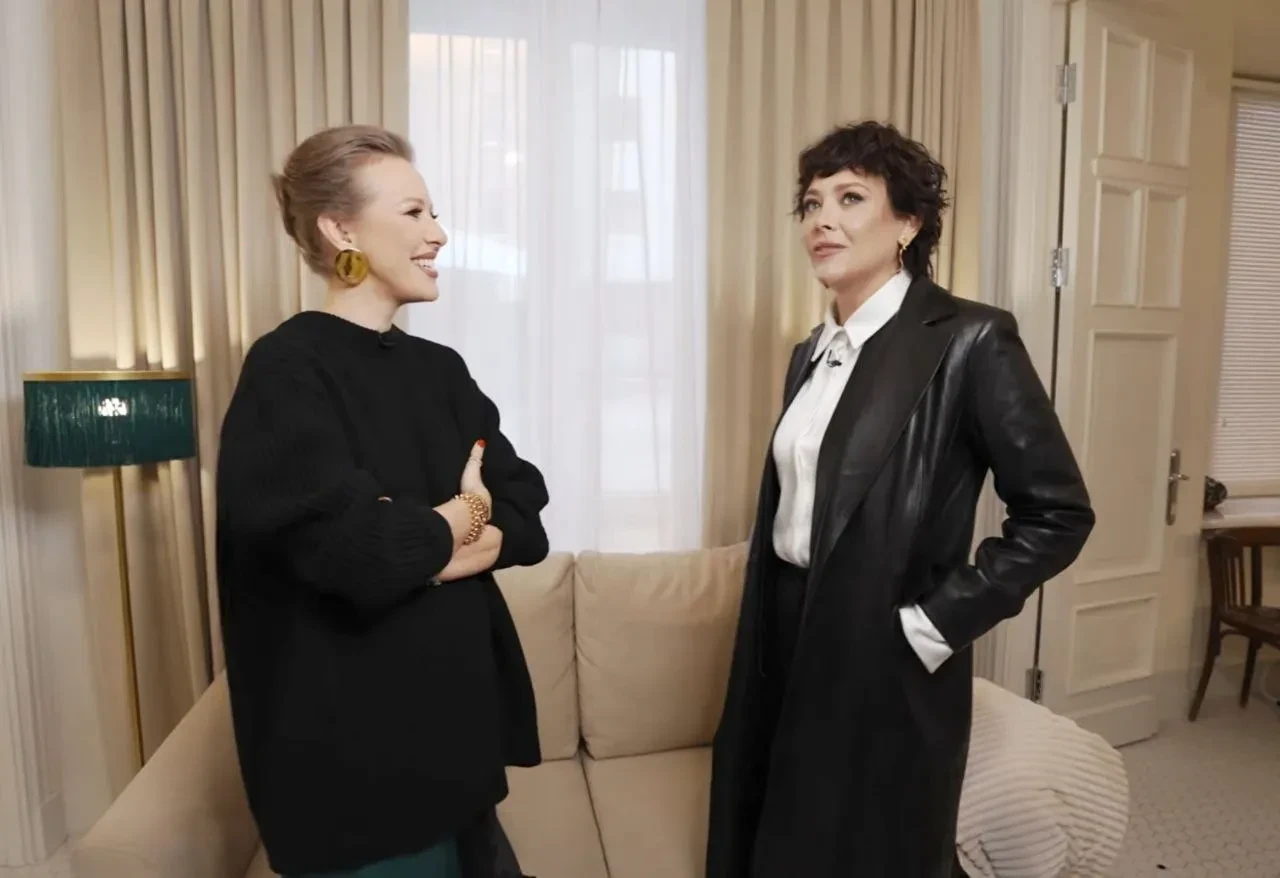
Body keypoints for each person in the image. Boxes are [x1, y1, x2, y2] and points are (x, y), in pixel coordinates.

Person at [704, 121, 1096, 878]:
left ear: (908, 223)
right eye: (812, 203)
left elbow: (1058, 513)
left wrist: (936, 622)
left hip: (886, 637)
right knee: (778, 825)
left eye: (850, 198)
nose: (822, 219)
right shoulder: (810, 353)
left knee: (865, 844)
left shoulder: (972, 340)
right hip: (780, 627)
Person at [215, 125, 547, 878]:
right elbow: (359, 552)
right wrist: (462, 515)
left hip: (458, 745)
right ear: (341, 230)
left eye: (434, 213)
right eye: (414, 213)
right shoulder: (286, 370)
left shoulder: (440, 370)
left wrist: (439, 536)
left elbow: (525, 502)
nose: (439, 234)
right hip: (357, 769)